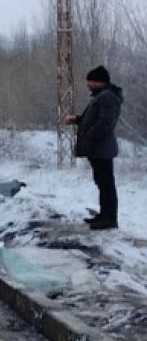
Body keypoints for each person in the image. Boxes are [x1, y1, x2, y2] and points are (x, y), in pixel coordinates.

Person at [65, 65, 123, 230]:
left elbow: (106, 122)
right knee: (102, 183)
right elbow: (92, 118)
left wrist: (89, 134)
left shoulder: (107, 97)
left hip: (102, 149)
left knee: (106, 184)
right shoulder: (101, 96)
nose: (87, 84)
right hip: (98, 149)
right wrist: (77, 119)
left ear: (100, 81)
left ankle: (110, 219)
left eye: (90, 81)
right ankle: (104, 215)